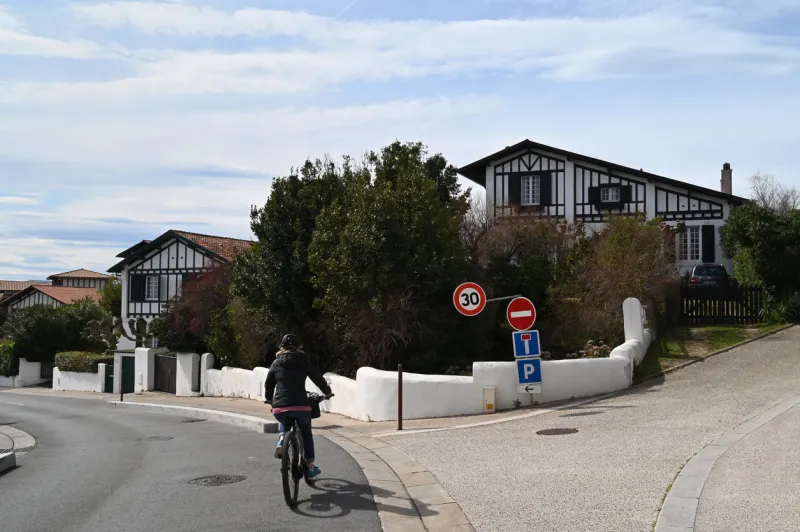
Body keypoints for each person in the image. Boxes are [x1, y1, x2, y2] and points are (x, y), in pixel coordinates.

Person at [264, 333, 332, 479]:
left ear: (282, 347)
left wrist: (269, 399)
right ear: (298, 347)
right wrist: (327, 391)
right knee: (306, 433)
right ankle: (310, 465)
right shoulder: (303, 360)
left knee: (285, 420)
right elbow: (316, 377)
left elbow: (269, 383)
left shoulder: (276, 363)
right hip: (301, 405)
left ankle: (282, 438)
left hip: (280, 406)